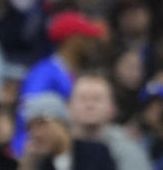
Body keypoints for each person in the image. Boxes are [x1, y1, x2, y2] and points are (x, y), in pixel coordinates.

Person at [12, 12, 107, 154]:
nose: (91, 44)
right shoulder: (44, 72)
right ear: (72, 40)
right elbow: (28, 112)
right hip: (33, 150)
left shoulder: (73, 72)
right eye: (86, 38)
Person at [67, 74, 153, 170]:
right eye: (83, 99)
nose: (89, 105)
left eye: (97, 99)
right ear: (69, 106)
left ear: (112, 108)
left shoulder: (128, 150)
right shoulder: (58, 145)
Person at [18, 92, 116, 170]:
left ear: (61, 124)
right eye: (30, 128)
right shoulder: (38, 163)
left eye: (42, 124)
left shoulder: (95, 153)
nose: (35, 133)